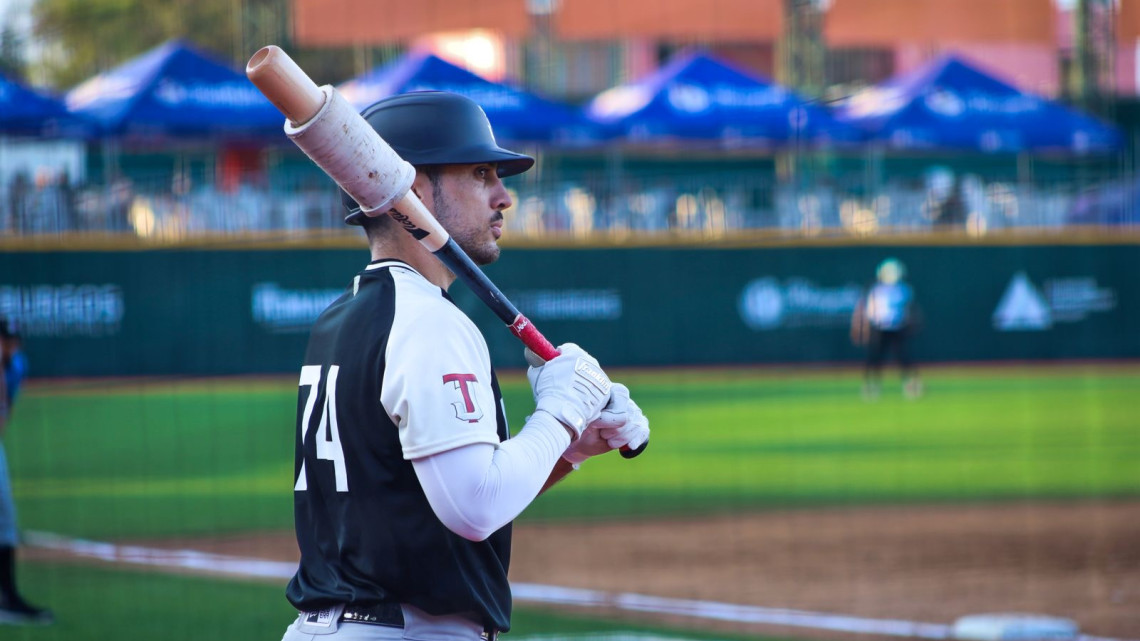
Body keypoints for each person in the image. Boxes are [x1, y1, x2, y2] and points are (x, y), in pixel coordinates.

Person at [280, 92, 650, 641]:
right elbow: (474, 508)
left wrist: (571, 444)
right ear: (414, 191)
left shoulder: (345, 317)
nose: (503, 197)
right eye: (481, 174)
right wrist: (562, 410)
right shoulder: (428, 322)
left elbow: (435, 504)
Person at [0, 318, 53, 625]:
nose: (12, 345)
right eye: (7, 339)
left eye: (14, 340)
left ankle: (8, 598)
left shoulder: (15, 367)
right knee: (5, 522)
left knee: (6, 523)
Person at [850, 259, 922, 400]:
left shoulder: (903, 289)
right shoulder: (876, 289)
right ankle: (871, 386)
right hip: (879, 328)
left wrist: (910, 323)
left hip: (897, 328)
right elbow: (869, 310)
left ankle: (911, 385)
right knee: (875, 358)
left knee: (903, 357)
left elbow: (909, 309)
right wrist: (865, 327)